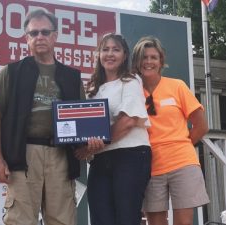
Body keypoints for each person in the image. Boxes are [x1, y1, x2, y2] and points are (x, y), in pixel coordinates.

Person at [0, 8, 84, 225]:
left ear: (55, 36)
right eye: (33, 33)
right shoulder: (10, 72)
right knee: (20, 220)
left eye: (45, 32)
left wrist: (87, 144)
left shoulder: (72, 77)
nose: (39, 37)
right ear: (26, 39)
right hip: (23, 155)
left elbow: (82, 121)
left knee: (63, 220)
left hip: (61, 157)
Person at [131, 36, 210, 225]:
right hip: (149, 166)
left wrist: (181, 145)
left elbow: (201, 126)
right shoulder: (132, 91)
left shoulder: (177, 86)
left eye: (153, 57)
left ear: (161, 61)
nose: (148, 62)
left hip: (182, 163)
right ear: (137, 61)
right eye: (144, 57)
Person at [76, 33, 152, 225]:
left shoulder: (131, 80)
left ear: (124, 55)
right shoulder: (92, 90)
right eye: (105, 49)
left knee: (126, 218)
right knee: (100, 218)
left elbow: (128, 121)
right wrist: (85, 146)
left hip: (131, 156)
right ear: (98, 55)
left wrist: (92, 147)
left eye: (116, 49)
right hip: (101, 160)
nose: (110, 54)